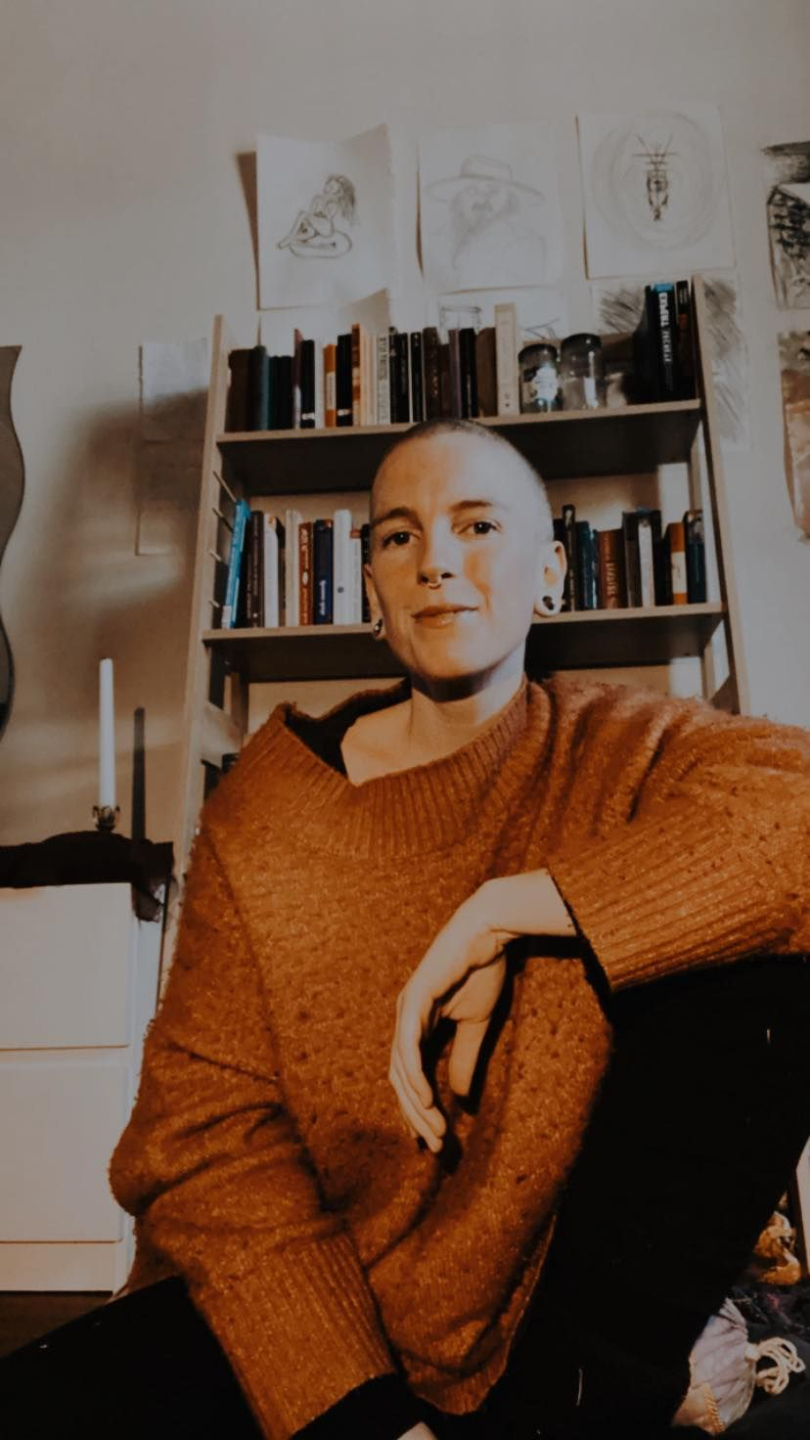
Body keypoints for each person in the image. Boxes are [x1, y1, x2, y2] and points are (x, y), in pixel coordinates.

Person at [10, 418, 809, 1440]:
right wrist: (367, 1418)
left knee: (766, 957)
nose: (435, 559)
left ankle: (584, 1399)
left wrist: (518, 910)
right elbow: (201, 1145)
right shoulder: (269, 812)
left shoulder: (625, 744)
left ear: (551, 573)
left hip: (538, 1338)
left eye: (478, 525)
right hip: (294, 1315)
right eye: (399, 536)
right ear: (373, 591)